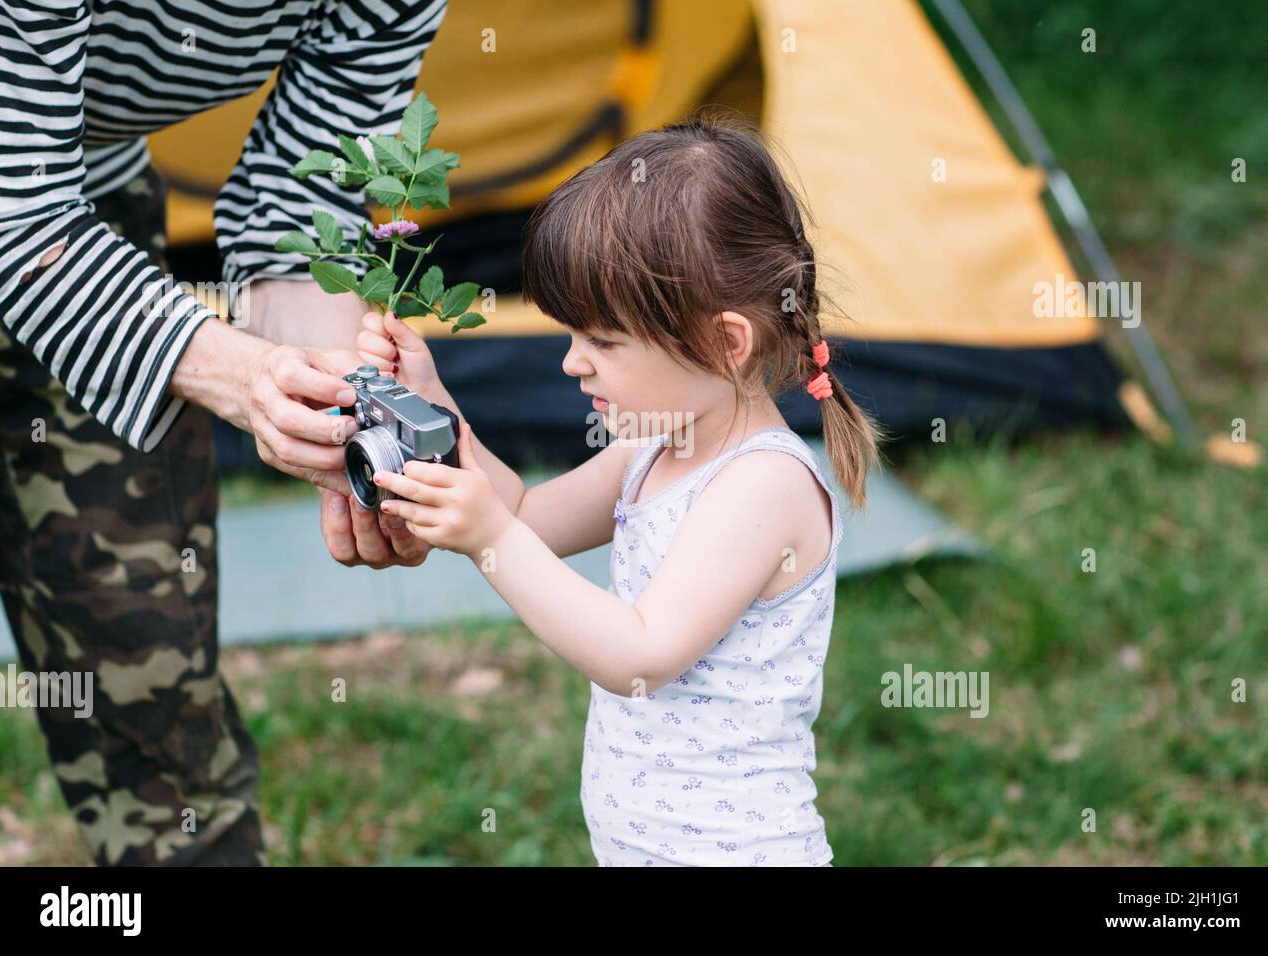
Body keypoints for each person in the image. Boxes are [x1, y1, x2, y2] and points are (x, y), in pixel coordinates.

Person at [0, 0, 446, 865]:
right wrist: (240, 378)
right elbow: (9, 210)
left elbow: (298, 196)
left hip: (80, 204)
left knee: (146, 645)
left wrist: (342, 399)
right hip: (25, 205)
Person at [356, 121, 880, 865]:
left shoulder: (761, 483)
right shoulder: (650, 450)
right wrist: (436, 405)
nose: (573, 364)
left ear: (725, 341)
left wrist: (491, 543)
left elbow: (639, 654)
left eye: (603, 342)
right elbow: (530, 517)